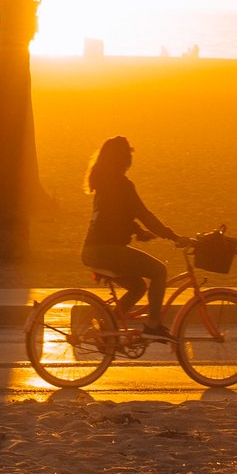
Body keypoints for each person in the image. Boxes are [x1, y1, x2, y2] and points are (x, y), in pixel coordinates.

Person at [81, 135, 184, 341]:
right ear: (124, 159)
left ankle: (107, 326)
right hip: (108, 251)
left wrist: (138, 232)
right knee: (159, 271)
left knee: (138, 287)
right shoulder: (122, 184)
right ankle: (153, 325)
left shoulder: (103, 183)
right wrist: (172, 236)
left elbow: (117, 215)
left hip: (92, 251)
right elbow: (144, 214)